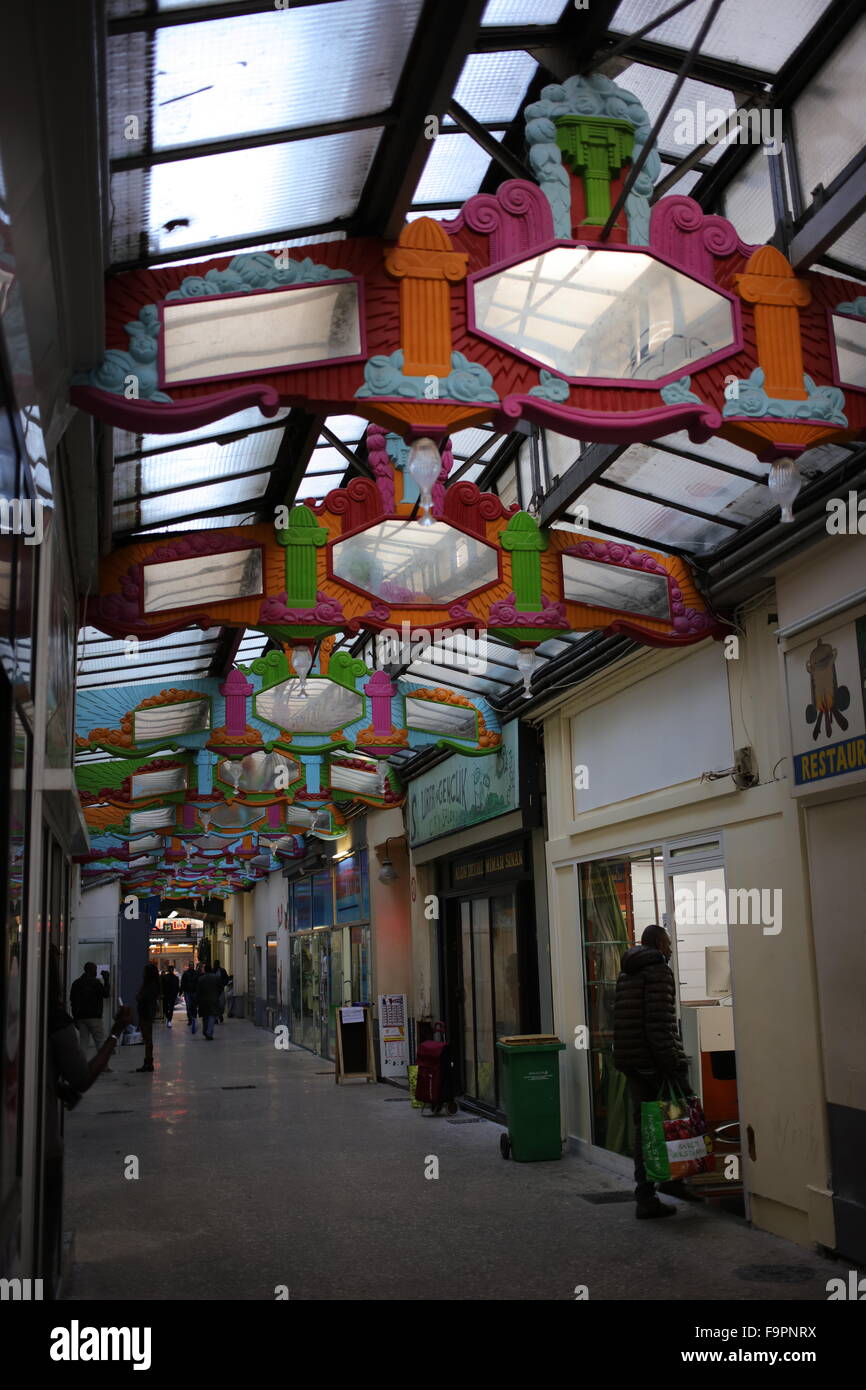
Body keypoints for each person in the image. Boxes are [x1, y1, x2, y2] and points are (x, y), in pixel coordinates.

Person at [45, 946, 132, 1297]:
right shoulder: (53, 1018)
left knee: (80, 1043)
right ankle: (42, 1273)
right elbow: (80, 1079)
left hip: (77, 1020)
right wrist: (116, 1031)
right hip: (42, 1138)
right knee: (93, 1043)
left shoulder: (40, 1009)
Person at [613, 923, 690, 1220]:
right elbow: (659, 1023)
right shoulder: (658, 970)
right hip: (655, 1062)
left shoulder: (627, 971)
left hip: (632, 1060)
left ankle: (646, 1194)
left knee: (643, 1127)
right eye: (668, 943)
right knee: (679, 1116)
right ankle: (675, 1179)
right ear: (658, 944)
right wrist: (673, 1063)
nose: (671, 948)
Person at [69, 963, 111, 1066]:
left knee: (83, 1042)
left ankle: (81, 1065)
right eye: (95, 970)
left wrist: (75, 1017)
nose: (96, 972)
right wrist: (106, 980)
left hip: (81, 1017)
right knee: (100, 1041)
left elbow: (72, 1001)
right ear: (91, 970)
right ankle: (103, 1066)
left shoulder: (76, 983)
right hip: (95, 1017)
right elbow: (106, 994)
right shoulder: (95, 983)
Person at [135, 962, 161, 1073]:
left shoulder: (149, 986)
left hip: (145, 1013)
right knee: (148, 1039)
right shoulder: (154, 985)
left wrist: (139, 997)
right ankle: (148, 1062)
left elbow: (143, 998)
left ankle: (148, 1063)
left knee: (147, 1039)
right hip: (147, 1013)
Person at [195, 964, 221, 1041]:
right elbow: (220, 988)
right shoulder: (216, 978)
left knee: (205, 1017)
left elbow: (198, 992)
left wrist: (197, 1001)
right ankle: (209, 1033)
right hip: (213, 1000)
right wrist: (217, 995)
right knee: (212, 1017)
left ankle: (205, 1031)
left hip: (203, 1001)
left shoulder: (201, 979)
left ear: (205, 970)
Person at [180, 962, 199, 1032]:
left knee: (193, 1005)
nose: (191, 966)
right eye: (190, 965)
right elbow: (183, 982)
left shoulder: (196, 973)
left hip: (193, 991)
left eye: (192, 965)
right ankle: (190, 1018)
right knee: (188, 1006)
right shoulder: (186, 973)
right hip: (188, 991)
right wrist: (181, 991)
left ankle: (193, 1017)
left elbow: (198, 982)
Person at [161, 963, 180, 1028]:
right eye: (171, 969)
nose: (171, 970)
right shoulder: (173, 978)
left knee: (169, 1008)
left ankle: (169, 1020)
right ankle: (169, 1019)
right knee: (168, 1008)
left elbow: (177, 987)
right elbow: (162, 986)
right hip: (169, 994)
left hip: (170, 994)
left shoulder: (173, 978)